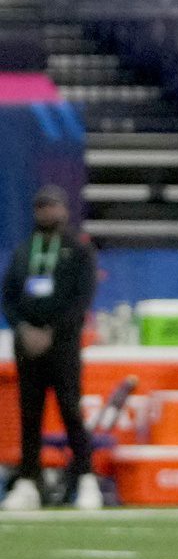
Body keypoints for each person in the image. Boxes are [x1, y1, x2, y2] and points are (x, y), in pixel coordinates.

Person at [2, 186, 98, 512]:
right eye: (41, 207)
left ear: (64, 210)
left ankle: (86, 477)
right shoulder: (25, 250)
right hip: (28, 347)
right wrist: (23, 329)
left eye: (53, 206)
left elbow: (81, 299)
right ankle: (30, 480)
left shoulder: (76, 250)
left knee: (71, 409)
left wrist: (52, 332)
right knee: (30, 414)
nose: (47, 212)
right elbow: (10, 297)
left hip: (64, 345)